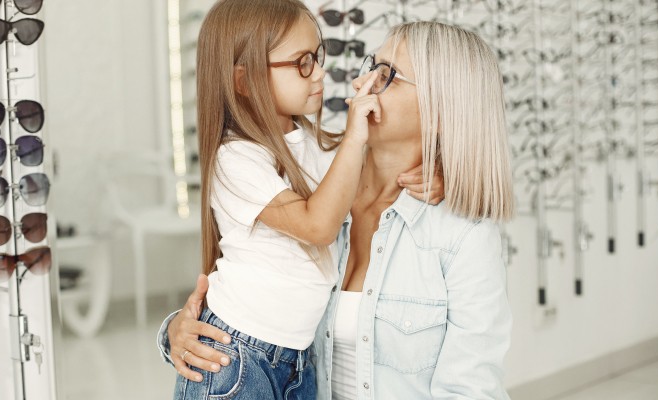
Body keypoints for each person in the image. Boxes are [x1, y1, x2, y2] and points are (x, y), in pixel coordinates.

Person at [160, 19, 514, 400]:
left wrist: (450, 170)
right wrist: (177, 332)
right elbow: (254, 291)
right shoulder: (316, 187)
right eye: (370, 66)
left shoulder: (463, 235)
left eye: (388, 76)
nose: (360, 85)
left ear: (443, 110)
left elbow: (471, 389)